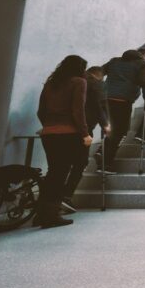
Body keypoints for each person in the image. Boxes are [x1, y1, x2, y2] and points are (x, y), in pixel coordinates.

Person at [34, 55, 91, 228]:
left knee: (53, 173)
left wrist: (49, 126)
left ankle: (41, 214)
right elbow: (78, 110)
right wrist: (85, 133)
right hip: (68, 134)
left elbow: (40, 111)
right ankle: (51, 215)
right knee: (61, 174)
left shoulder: (50, 83)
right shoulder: (79, 82)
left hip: (49, 134)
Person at [94, 50, 145, 173]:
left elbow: (99, 72)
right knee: (121, 131)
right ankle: (105, 164)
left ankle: (101, 151)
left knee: (112, 129)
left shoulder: (114, 61)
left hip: (106, 99)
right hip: (122, 101)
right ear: (142, 56)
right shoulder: (142, 64)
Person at [61, 66, 109, 213]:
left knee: (61, 164)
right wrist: (105, 124)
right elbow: (100, 106)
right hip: (83, 129)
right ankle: (66, 196)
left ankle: (53, 197)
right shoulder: (96, 84)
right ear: (99, 75)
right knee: (80, 162)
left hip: (62, 128)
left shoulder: (68, 82)